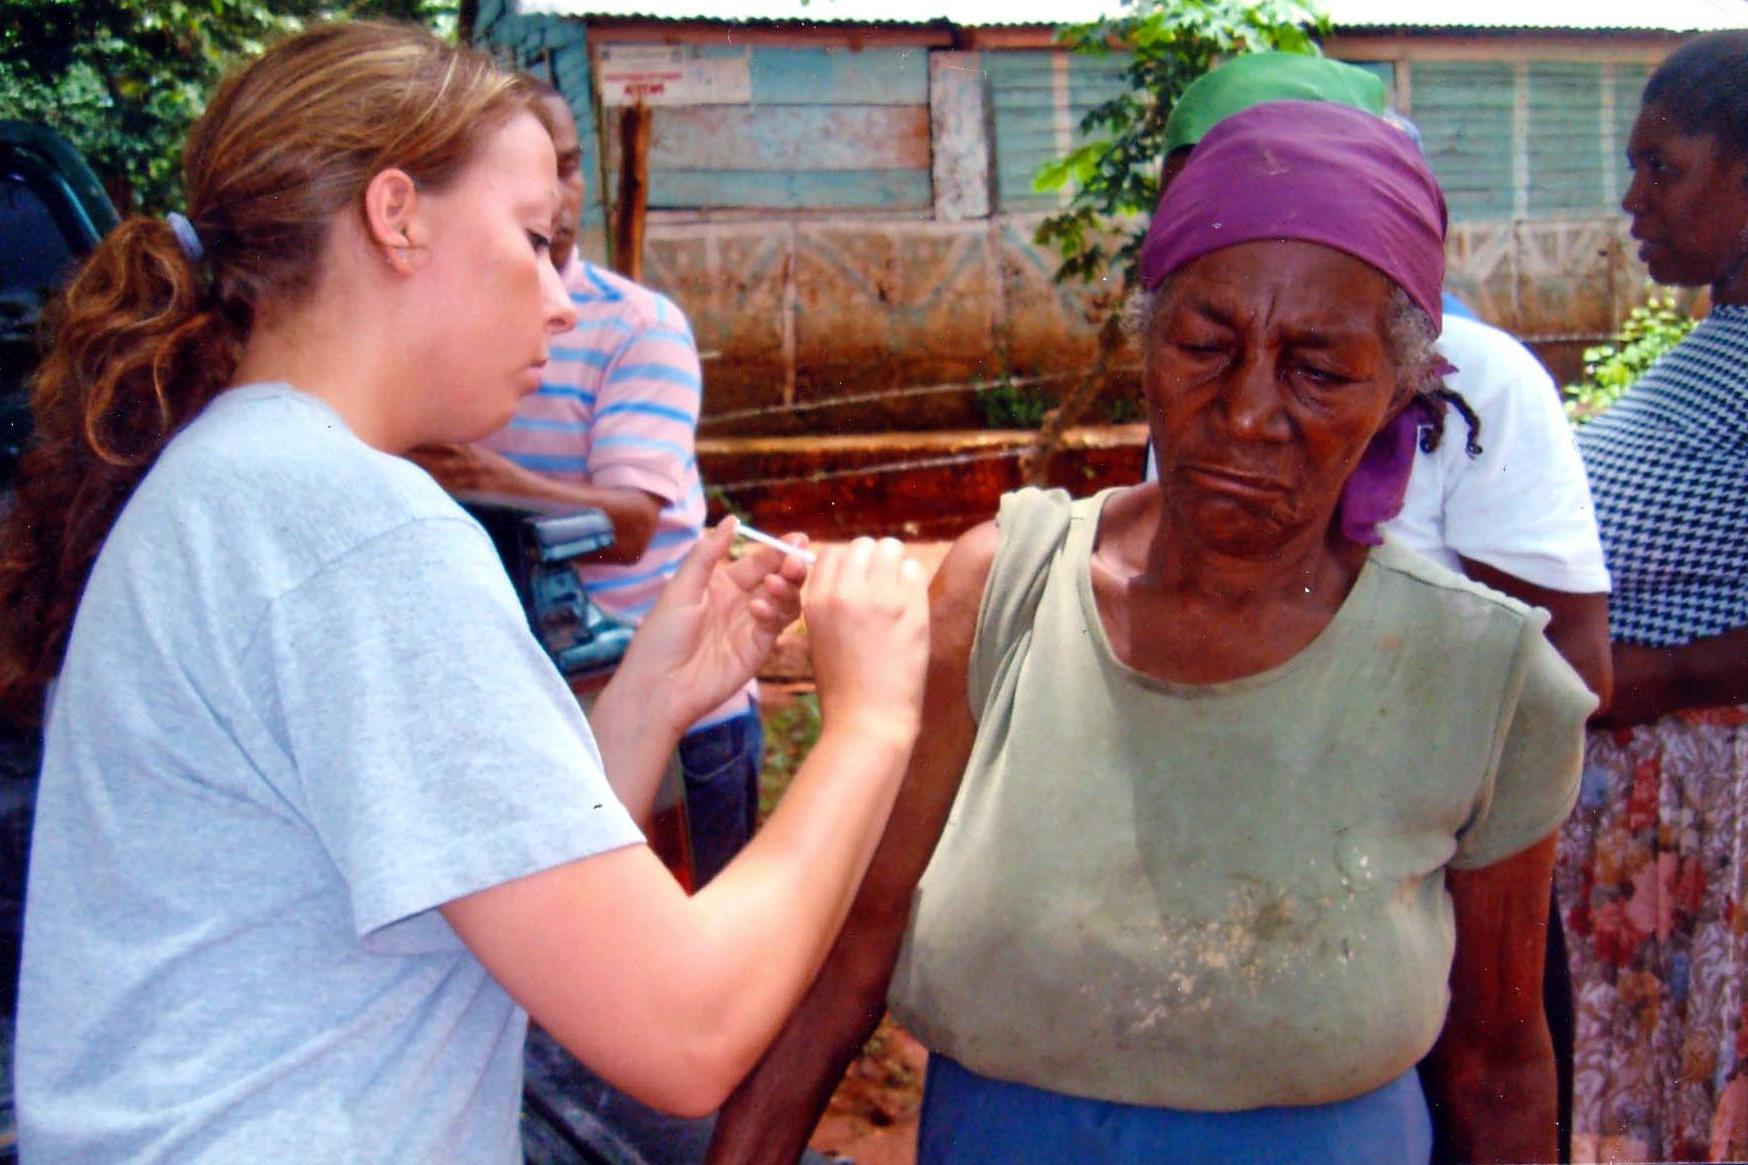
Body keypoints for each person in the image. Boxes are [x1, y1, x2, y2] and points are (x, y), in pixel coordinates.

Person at [0, 22, 930, 1163]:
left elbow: (485, 901)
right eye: (535, 241)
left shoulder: (246, 479)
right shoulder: (352, 529)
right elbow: (685, 1028)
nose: (563, 301)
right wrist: (875, 722)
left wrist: (647, 698)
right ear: (397, 216)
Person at [707, 100, 1594, 1165]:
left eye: (1317, 370)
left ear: (1399, 387)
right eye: (1203, 346)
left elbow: (1497, 1060)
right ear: (1145, 342)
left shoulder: (1481, 676)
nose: (1248, 411)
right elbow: (850, 953)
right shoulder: (1007, 591)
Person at [413, 80, 763, 891]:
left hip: (676, 715)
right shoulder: (448, 336)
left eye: (571, 167)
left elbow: (632, 523)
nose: (563, 198)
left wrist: (477, 477)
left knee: (695, 955)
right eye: (541, 176)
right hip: (537, 713)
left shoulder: (636, 328)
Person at [1555, 29, 1748, 1163]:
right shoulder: (1714, 342)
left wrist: (1646, 679)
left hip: (1712, 839)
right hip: (1649, 836)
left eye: (1661, 167)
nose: (1630, 198)